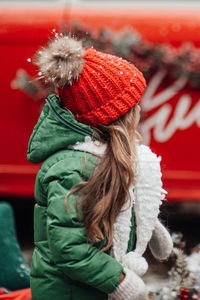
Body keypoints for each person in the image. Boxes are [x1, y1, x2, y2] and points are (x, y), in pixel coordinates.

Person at [27, 35, 173, 300]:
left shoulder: (104, 156)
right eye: (134, 104)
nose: (139, 109)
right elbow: (70, 248)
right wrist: (120, 282)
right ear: (116, 115)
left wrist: (146, 221)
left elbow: (117, 206)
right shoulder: (71, 169)